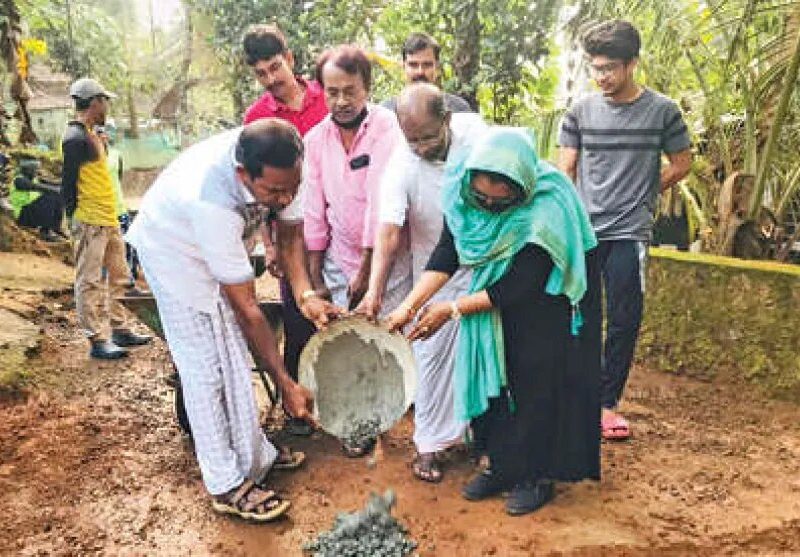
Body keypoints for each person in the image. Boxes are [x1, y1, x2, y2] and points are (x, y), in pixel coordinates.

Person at [126, 119, 342, 522]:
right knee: (205, 371)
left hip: (215, 244)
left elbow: (291, 237)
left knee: (232, 358)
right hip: (174, 251)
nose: (285, 197)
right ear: (243, 175)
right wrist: (286, 384)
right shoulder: (212, 199)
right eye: (274, 192)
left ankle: (255, 455)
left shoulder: (289, 167)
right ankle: (225, 484)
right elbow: (249, 311)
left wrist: (305, 294)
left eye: (290, 189)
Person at [386, 127, 601, 516]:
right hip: (491, 302)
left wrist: (451, 310)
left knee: (533, 385)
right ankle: (501, 466)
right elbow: (447, 255)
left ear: (521, 190)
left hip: (544, 307)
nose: (486, 207)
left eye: (500, 204)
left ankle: (536, 476)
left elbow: (522, 285)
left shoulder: (546, 206)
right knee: (495, 383)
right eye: (481, 197)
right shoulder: (461, 192)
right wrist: (408, 306)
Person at [558, 20, 692, 441]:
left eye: (611, 68)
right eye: (596, 68)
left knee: (623, 319)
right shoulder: (580, 111)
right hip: (585, 231)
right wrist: (570, 214)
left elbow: (682, 163)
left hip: (630, 232)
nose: (602, 76)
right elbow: (565, 167)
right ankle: (576, 395)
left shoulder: (662, 111)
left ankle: (605, 403)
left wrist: (646, 194)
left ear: (633, 63)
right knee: (578, 314)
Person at [358, 83, 486, 482]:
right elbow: (389, 231)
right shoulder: (402, 163)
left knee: (485, 356)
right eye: (412, 139)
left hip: (486, 267)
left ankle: (484, 438)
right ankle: (428, 446)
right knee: (430, 360)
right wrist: (374, 293)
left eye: (429, 137)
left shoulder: (479, 139)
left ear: (447, 119)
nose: (422, 147)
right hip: (434, 270)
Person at [304, 45, 412, 455]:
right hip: (338, 258)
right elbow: (314, 209)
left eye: (350, 91)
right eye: (332, 92)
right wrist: (315, 279)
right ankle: (358, 423)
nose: (341, 101)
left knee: (384, 338)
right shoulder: (315, 140)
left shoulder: (388, 129)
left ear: (367, 88)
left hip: (387, 257)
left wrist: (369, 271)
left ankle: (390, 412)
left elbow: (381, 202)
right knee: (348, 344)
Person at [243, 24, 329, 436]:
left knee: (336, 313)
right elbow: (256, 192)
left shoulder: (327, 98)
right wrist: (268, 246)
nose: (271, 78)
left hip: (332, 228)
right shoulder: (256, 118)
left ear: (290, 59)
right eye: (261, 73)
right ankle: (299, 406)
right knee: (297, 321)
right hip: (287, 232)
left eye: (275, 66)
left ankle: (338, 397)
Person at [62, 78, 151, 360]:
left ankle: (119, 328)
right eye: (105, 101)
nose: (107, 106)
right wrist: (71, 216)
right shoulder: (74, 138)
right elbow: (68, 182)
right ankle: (97, 339)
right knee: (89, 281)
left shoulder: (91, 134)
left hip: (108, 216)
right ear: (95, 102)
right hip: (89, 220)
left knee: (121, 276)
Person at [97, 123, 143, 293]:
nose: (101, 137)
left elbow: (118, 177)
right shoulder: (90, 159)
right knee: (101, 250)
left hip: (119, 209)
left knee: (127, 246)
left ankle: (127, 283)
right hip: (99, 212)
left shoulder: (116, 155)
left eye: (103, 133)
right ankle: (101, 284)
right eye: (97, 134)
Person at [382, 32, 473, 113]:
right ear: (403, 66)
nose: (420, 72)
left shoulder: (458, 109)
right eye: (413, 65)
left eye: (427, 64)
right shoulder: (387, 112)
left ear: (437, 67)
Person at [9, 158, 65, 242]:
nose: (36, 172)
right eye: (34, 170)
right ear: (27, 170)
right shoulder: (19, 180)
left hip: (30, 211)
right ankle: (45, 232)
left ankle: (55, 228)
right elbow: (36, 186)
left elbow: (50, 183)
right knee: (49, 197)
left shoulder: (32, 179)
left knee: (58, 196)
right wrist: (55, 190)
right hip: (22, 214)